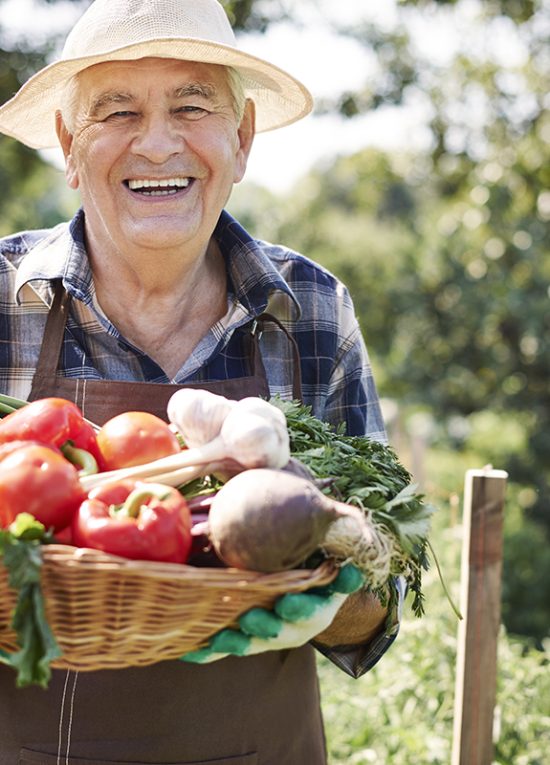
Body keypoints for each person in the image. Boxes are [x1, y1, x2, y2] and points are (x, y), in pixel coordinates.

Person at [0, 0, 403, 762]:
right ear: (67, 143)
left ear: (242, 138)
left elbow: (380, 604)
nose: (157, 143)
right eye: (117, 110)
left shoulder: (312, 310)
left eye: (192, 105)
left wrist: (329, 594)